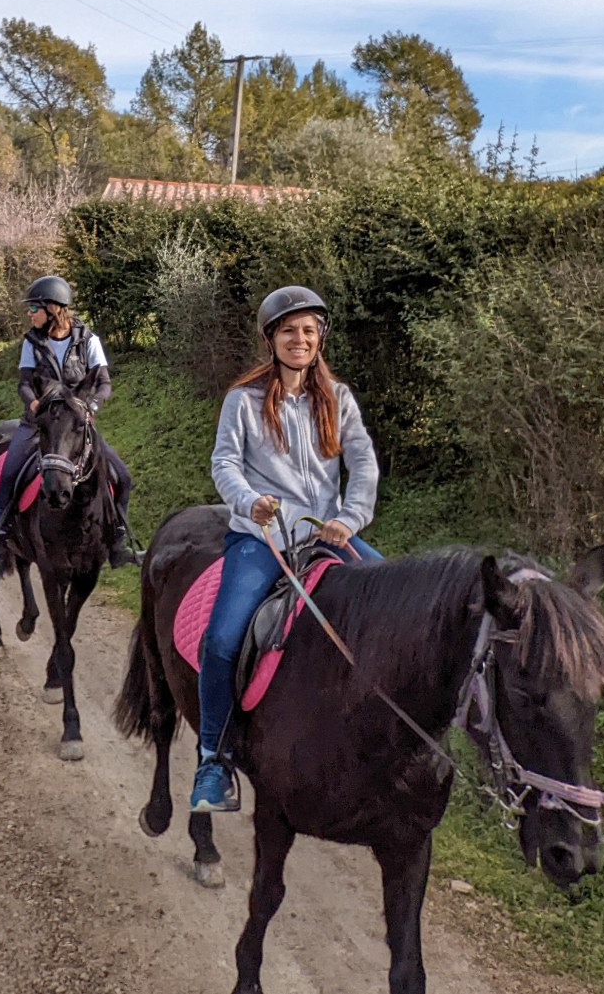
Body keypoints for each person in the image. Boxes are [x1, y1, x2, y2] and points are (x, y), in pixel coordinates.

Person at [190, 285, 380, 814]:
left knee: (395, 617)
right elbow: (224, 463)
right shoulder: (243, 400)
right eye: (289, 330)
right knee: (224, 638)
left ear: (320, 339)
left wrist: (349, 518)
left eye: (309, 331)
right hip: (262, 538)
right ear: (270, 338)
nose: (300, 339)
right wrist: (249, 503)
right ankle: (214, 760)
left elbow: (362, 464)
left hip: (327, 535)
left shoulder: (337, 399)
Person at [0, 275, 138, 576]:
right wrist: (33, 402)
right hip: (39, 424)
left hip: (76, 427)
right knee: (8, 474)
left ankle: (118, 542)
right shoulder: (31, 342)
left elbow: (104, 383)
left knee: (121, 476)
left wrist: (91, 406)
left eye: (34, 308)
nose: (30, 314)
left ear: (53, 308)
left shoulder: (89, 340)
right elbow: (23, 383)